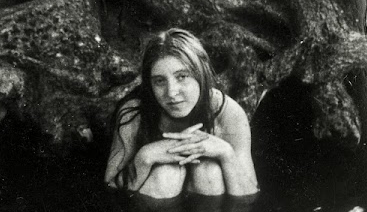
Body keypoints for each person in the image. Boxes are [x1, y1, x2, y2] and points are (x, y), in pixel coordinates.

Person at [104, 29, 258, 198]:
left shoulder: (227, 111)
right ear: (149, 84)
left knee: (209, 171)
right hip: (155, 206)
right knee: (166, 174)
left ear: (201, 73)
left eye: (182, 76)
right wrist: (144, 157)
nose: (171, 92)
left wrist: (226, 153)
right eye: (160, 81)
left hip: (209, 207)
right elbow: (110, 189)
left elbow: (248, 195)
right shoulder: (135, 112)